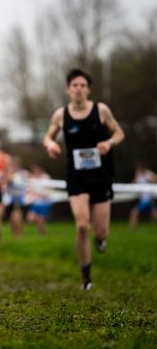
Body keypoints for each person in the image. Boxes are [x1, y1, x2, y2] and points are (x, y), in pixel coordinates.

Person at [43, 68, 125, 290]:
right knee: (81, 226)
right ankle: (86, 277)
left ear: (88, 89)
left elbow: (119, 133)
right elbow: (48, 136)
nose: (78, 89)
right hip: (76, 177)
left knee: (100, 232)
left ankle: (100, 240)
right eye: (74, 85)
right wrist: (51, 144)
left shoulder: (101, 110)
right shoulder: (61, 115)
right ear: (68, 89)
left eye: (82, 85)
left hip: (101, 176)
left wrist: (109, 143)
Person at [25, 164, 53, 236]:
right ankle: (42, 229)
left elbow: (49, 190)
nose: (36, 171)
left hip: (45, 203)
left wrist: (41, 193)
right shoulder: (32, 178)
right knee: (30, 219)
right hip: (36, 202)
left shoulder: (46, 177)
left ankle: (43, 235)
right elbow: (28, 190)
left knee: (41, 220)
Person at [128, 161, 157, 228]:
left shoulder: (148, 174)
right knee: (154, 214)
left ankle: (132, 229)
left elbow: (155, 179)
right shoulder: (138, 174)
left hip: (147, 199)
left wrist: (151, 180)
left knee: (134, 213)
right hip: (144, 199)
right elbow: (133, 184)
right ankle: (133, 228)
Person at [4, 157, 27, 237]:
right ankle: (14, 234)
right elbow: (6, 184)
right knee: (11, 217)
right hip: (10, 199)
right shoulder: (8, 174)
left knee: (18, 216)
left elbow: (25, 184)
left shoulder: (23, 173)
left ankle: (20, 234)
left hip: (19, 199)